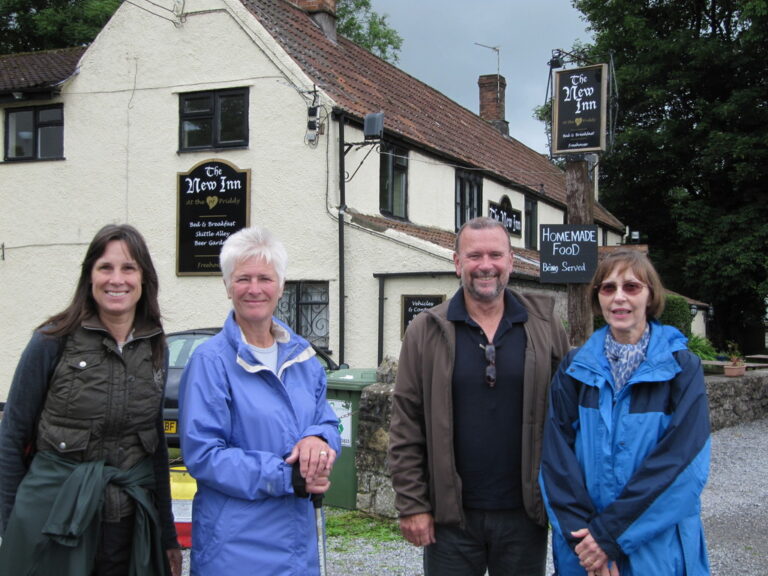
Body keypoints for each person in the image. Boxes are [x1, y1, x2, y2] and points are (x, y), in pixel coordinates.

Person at [388, 216, 570, 576]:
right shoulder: (426, 330)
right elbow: (406, 423)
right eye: (474, 256)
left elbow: (568, 414)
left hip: (524, 515)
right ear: (458, 263)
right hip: (451, 519)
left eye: (495, 255)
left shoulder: (544, 326)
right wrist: (412, 504)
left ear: (511, 262)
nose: (486, 265)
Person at [0, 224, 182, 576]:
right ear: (89, 276)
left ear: (144, 278)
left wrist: (168, 535)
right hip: (52, 523)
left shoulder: (155, 347)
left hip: (127, 529)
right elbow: (11, 437)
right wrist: (12, 528)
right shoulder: (51, 341)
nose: (117, 279)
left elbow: (156, 448)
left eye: (128, 268)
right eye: (105, 267)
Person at [179, 225, 341, 576]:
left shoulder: (303, 358)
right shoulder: (211, 362)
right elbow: (204, 455)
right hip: (235, 550)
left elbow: (327, 421)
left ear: (280, 286)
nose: (254, 289)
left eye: (265, 278)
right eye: (243, 279)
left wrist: (319, 440)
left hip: (298, 548)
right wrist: (287, 476)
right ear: (227, 286)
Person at [539, 249, 711, 576]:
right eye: (608, 288)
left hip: (658, 553)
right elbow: (555, 461)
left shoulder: (682, 369)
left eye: (631, 287)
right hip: (586, 558)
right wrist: (586, 545)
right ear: (598, 297)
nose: (619, 297)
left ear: (650, 295)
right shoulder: (574, 369)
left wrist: (609, 538)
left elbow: (684, 463)